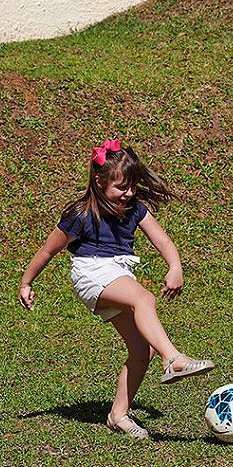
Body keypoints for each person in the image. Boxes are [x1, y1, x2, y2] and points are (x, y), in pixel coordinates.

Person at [19, 139, 214, 440]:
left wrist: (175, 267)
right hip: (91, 272)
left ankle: (118, 415)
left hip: (118, 273)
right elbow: (47, 251)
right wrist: (27, 281)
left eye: (133, 186)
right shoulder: (80, 213)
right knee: (143, 298)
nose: (129, 193)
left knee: (142, 349)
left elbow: (162, 241)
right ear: (99, 182)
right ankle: (173, 359)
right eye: (122, 187)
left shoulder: (136, 209)